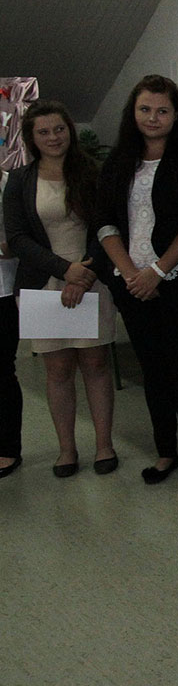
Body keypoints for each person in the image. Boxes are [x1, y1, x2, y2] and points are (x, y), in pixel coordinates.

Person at [97, 76, 178, 485]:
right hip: (132, 284)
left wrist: (158, 271)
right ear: (133, 113)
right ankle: (165, 452)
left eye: (162, 110)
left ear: (176, 115)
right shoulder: (117, 161)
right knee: (153, 370)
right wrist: (132, 275)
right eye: (145, 109)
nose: (153, 118)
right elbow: (104, 222)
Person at [5, 100, 116, 477]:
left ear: (69, 130)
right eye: (43, 132)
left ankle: (104, 446)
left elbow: (106, 227)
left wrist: (83, 273)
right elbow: (18, 238)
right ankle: (66, 450)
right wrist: (65, 271)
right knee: (58, 370)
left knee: (96, 364)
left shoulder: (92, 172)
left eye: (59, 129)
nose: (53, 137)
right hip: (43, 283)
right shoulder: (19, 180)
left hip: (91, 278)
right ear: (31, 138)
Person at [0, 168, 21, 479]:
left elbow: (14, 241)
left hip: (3, 290)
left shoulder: (11, 183)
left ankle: (6, 448)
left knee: (2, 371)